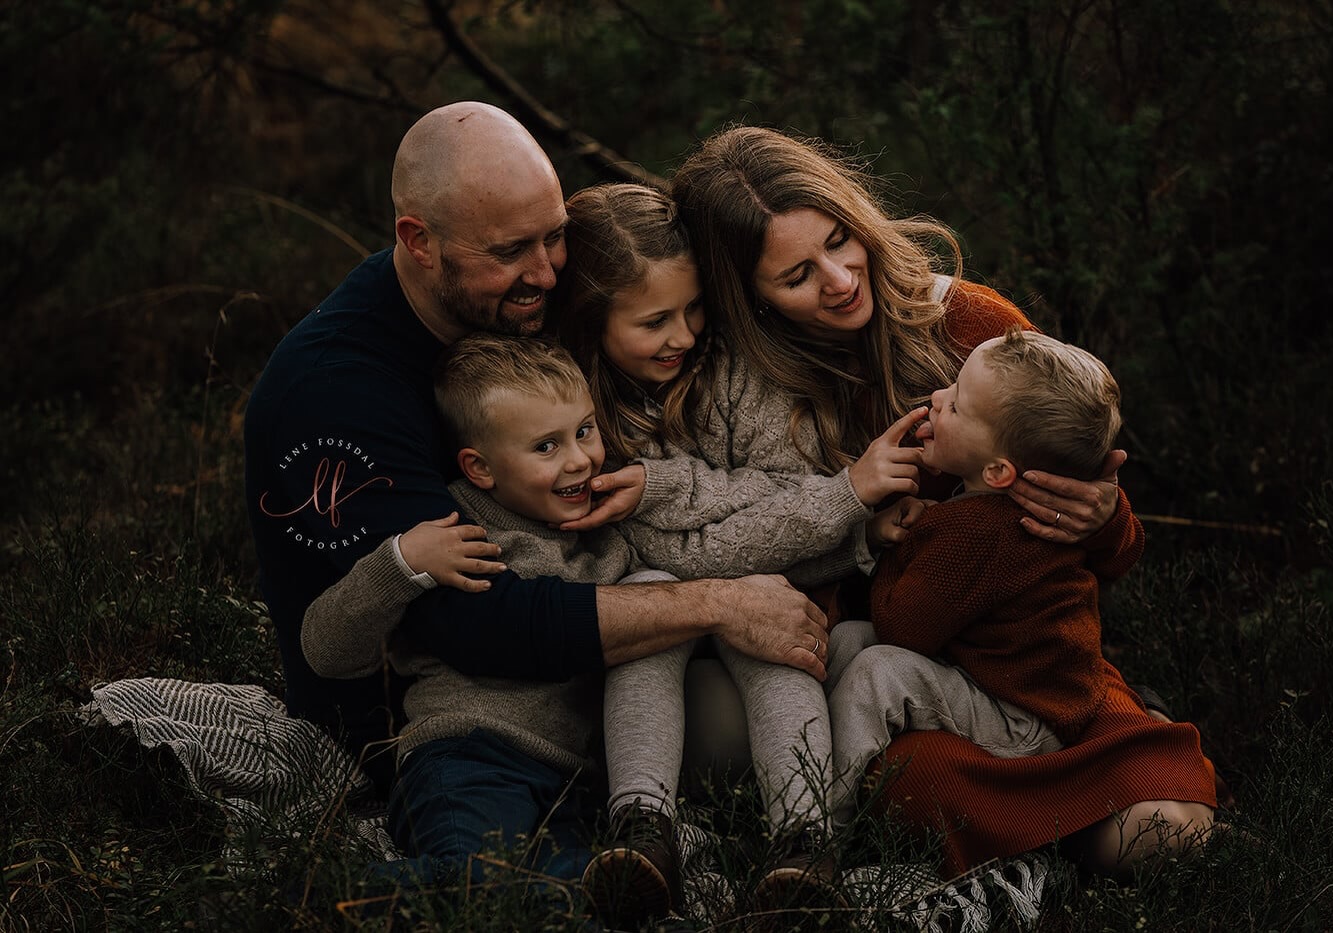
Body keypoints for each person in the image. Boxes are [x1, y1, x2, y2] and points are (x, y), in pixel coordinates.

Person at [242, 103, 829, 798]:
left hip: (588, 679)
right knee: (753, 719)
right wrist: (718, 603)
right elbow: (475, 623)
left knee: (811, 672)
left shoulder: (506, 306)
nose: (548, 274)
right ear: (418, 240)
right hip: (443, 736)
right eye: (510, 250)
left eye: (553, 237)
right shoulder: (337, 393)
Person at [550, 183, 927, 925]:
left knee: (764, 598)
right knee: (657, 584)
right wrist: (818, 511)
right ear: (592, 323)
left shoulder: (736, 375)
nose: (683, 335)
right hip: (643, 683)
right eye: (654, 320)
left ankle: (804, 837)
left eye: (693, 310)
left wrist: (664, 487)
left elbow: (791, 516)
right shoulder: (569, 410)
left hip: (759, 662)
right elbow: (654, 549)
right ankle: (642, 825)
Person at [301, 334, 690, 890]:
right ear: (480, 468)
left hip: (568, 783)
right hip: (466, 757)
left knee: (579, 891)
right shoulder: (455, 529)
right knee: (472, 878)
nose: (580, 459)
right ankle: (316, 902)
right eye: (546, 447)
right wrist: (401, 563)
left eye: (584, 431)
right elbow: (325, 647)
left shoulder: (610, 540)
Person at [828, 330, 1216, 875]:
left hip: (1021, 714)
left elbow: (902, 630)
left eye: (956, 402)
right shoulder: (994, 501)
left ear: (997, 472)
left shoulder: (977, 532)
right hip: (1026, 682)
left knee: (875, 668)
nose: (937, 398)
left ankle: (824, 837)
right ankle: (826, 764)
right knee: (847, 642)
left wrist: (892, 545)